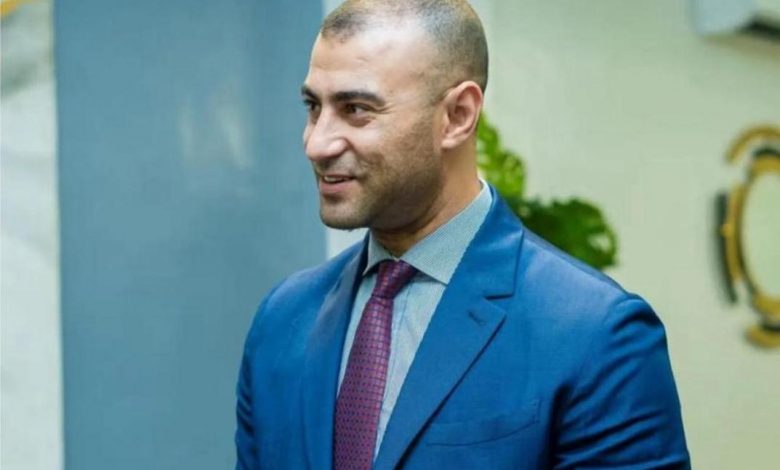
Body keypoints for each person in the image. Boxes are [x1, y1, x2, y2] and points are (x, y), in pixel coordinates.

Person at [235, 0, 690, 468]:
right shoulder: (282, 321)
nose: (316, 143)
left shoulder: (595, 335)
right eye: (314, 107)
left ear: (457, 115)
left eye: (356, 109)